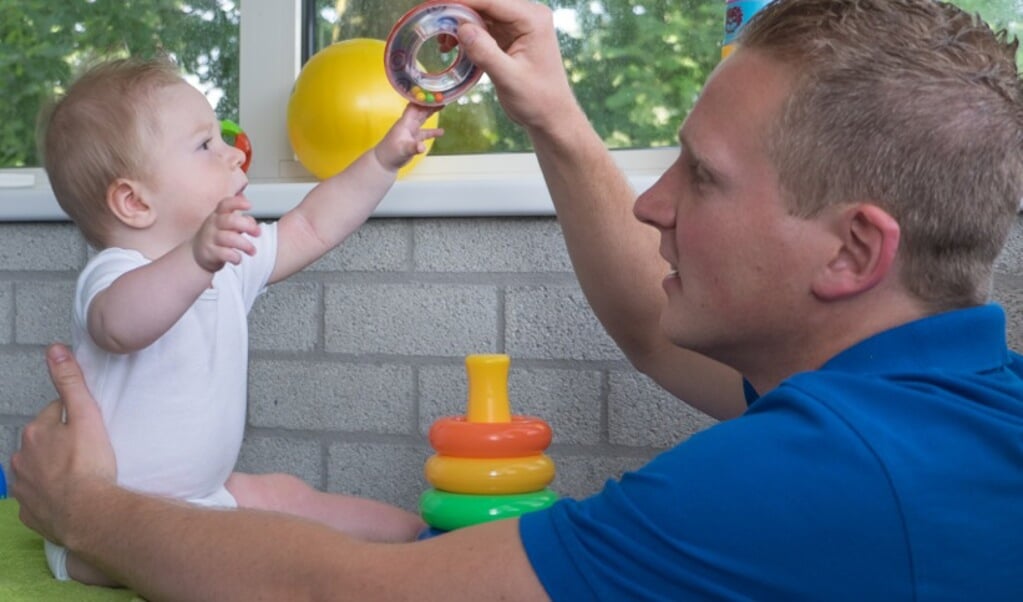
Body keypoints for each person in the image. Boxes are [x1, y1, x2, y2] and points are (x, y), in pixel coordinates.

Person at [13, 0, 1023, 598]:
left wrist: (92, 511)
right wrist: (548, 108)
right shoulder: (937, 410)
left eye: (702, 176)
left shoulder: (816, 477)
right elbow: (646, 322)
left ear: (852, 250)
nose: (653, 201)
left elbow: (346, 594)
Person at [33, 56, 440, 586]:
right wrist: (198, 258)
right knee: (262, 555)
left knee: (287, 495)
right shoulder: (115, 272)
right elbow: (121, 325)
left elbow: (313, 225)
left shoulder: (224, 261)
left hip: (203, 498)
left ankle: (425, 545)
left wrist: (384, 160)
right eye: (205, 144)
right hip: (109, 523)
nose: (234, 153)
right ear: (134, 202)